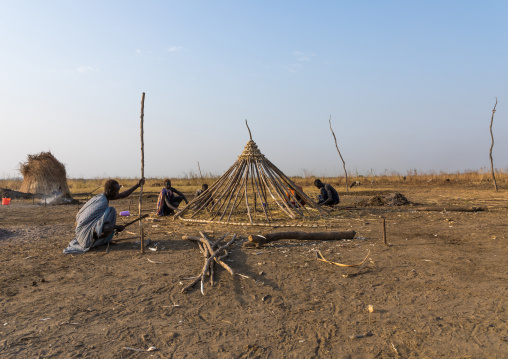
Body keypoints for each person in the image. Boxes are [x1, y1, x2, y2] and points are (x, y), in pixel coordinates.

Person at [63, 178, 144, 254]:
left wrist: (137, 185)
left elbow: (123, 195)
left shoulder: (104, 196)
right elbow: (86, 221)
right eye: (116, 192)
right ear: (110, 191)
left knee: (110, 212)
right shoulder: (102, 202)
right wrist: (117, 227)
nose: (117, 194)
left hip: (87, 227)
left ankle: (97, 239)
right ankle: (93, 241)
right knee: (109, 227)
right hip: (84, 231)